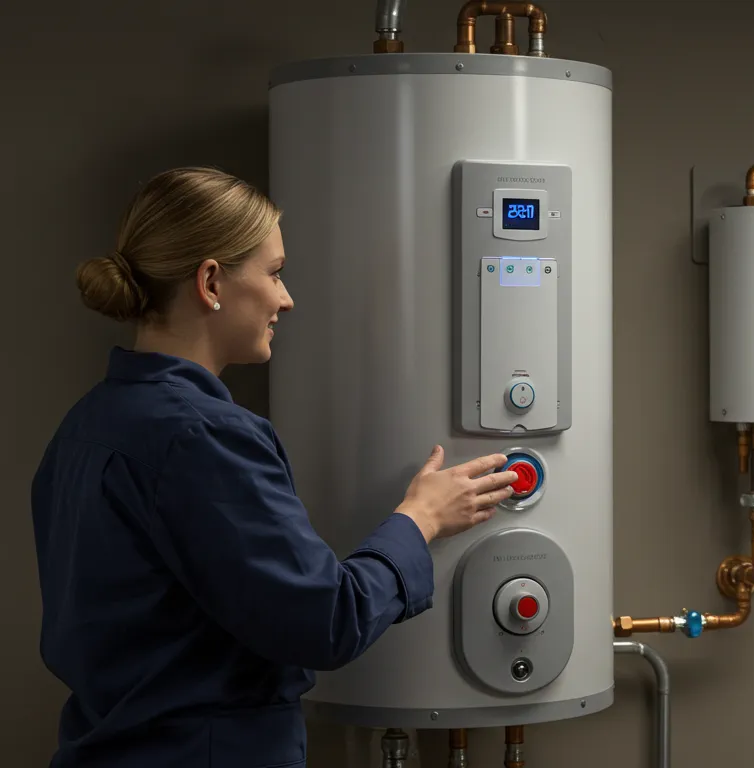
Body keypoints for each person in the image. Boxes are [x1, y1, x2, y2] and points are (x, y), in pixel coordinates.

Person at [30, 167, 521, 767]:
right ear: (211, 281)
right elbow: (325, 621)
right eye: (275, 273)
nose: (286, 298)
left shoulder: (85, 426)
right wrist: (421, 519)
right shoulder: (204, 436)